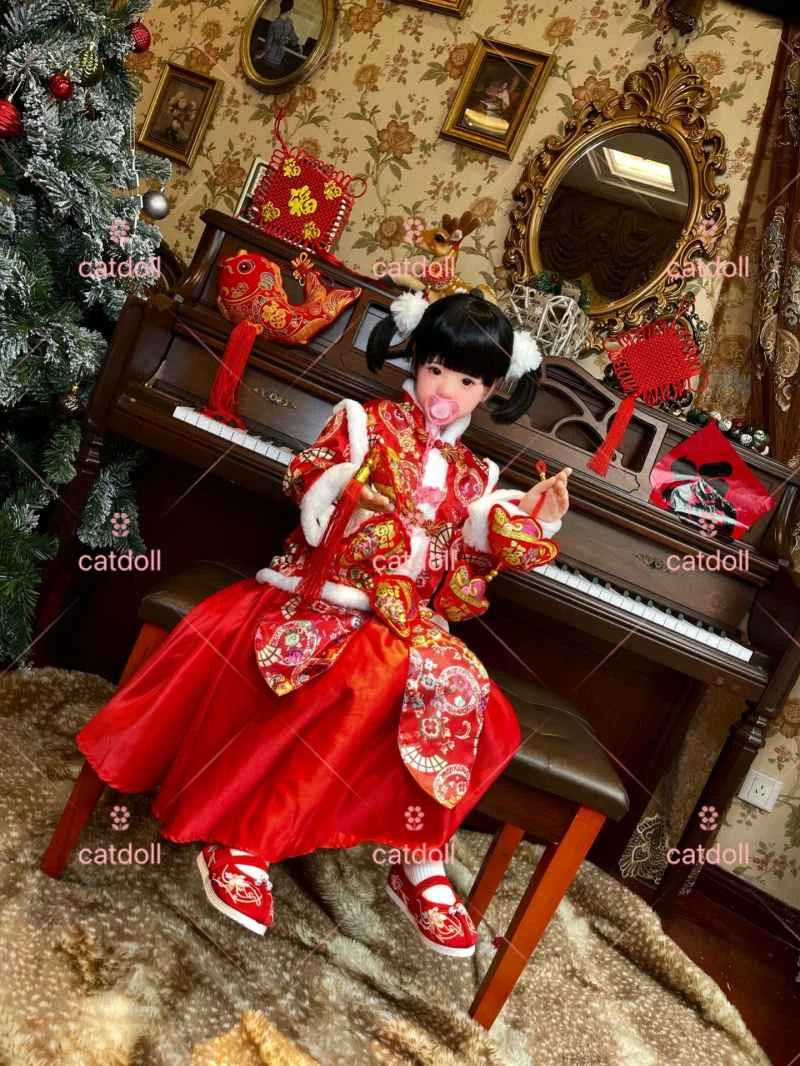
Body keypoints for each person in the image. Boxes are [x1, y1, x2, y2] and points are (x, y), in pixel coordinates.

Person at [74, 290, 571, 957]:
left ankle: (419, 858)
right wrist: (347, 489)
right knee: (359, 679)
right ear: (416, 361)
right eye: (436, 369)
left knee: (471, 693)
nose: (446, 390)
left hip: (406, 620)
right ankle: (245, 840)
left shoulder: (476, 477)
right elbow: (305, 476)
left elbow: (457, 590)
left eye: (467, 381)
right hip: (325, 595)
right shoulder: (364, 422)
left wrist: (524, 521)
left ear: (490, 391)